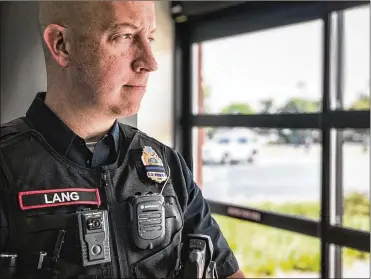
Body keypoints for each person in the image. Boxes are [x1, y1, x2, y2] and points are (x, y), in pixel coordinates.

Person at [0, 2, 244, 278]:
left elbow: (225, 271)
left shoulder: (167, 165)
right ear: (61, 45)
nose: (150, 63)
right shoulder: (6, 165)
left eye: (149, 37)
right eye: (124, 36)